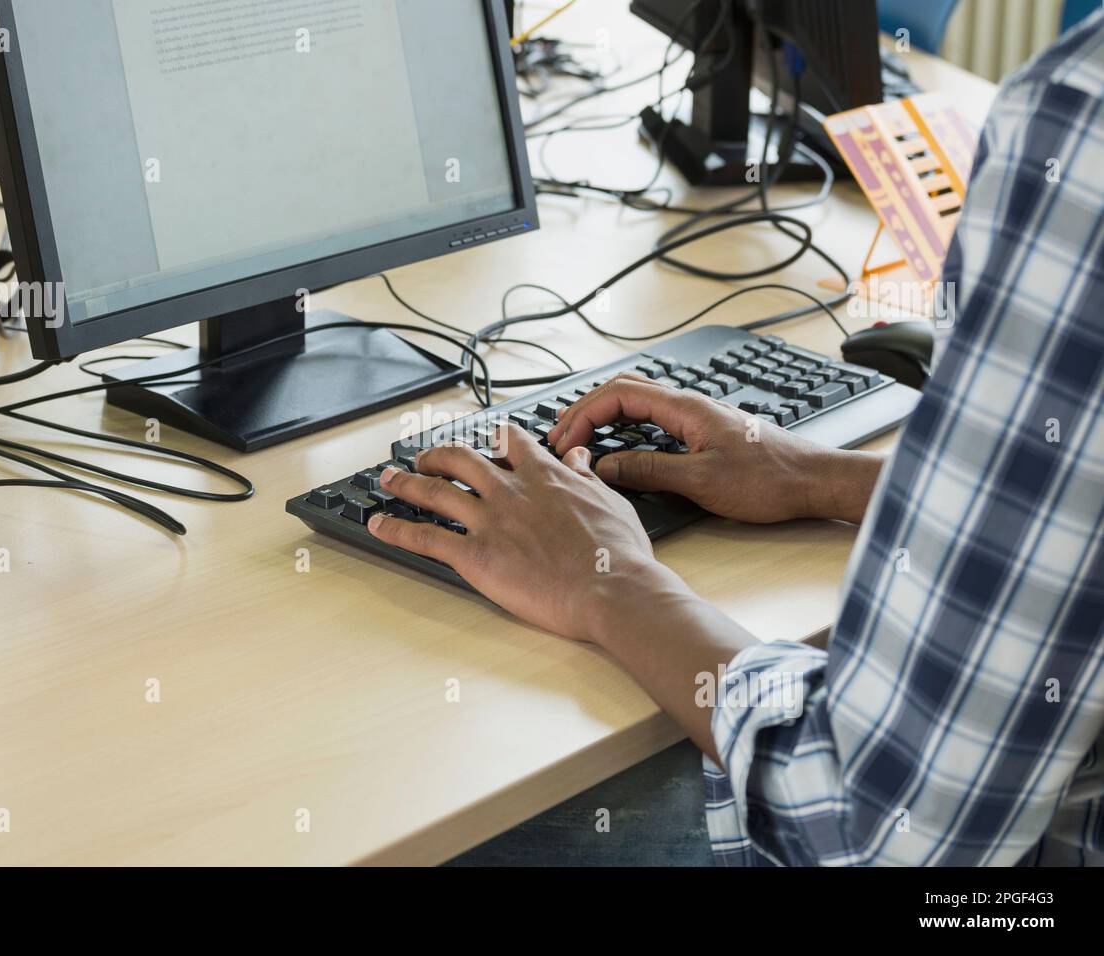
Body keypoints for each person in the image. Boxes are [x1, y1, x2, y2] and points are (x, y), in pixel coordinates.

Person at [367, 11, 1104, 865]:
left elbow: (877, 827)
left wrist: (609, 583)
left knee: (465, 813)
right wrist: (823, 479)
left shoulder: (1079, 122)